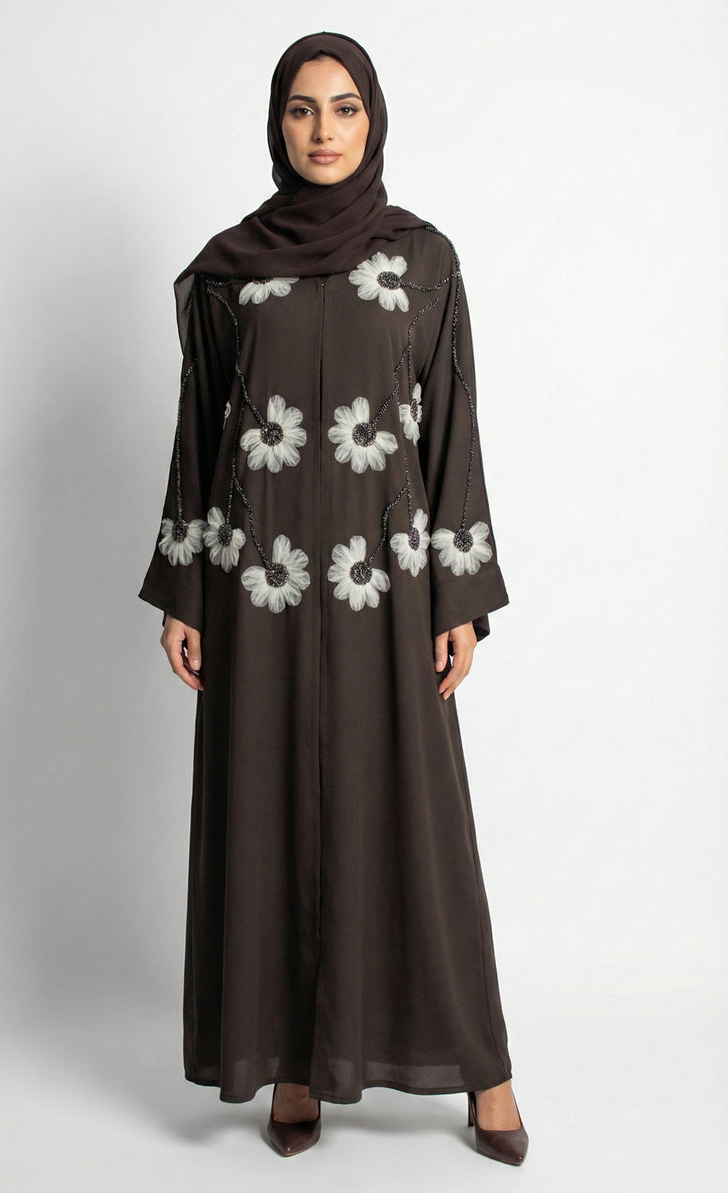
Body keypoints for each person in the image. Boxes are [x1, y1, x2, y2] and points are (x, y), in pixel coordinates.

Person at [138, 30, 528, 1166]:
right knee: (269, 812)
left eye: (344, 107)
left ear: (373, 120)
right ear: (277, 124)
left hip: (385, 585)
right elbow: (199, 433)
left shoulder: (422, 261)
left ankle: (486, 1069)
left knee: (417, 821)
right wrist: (186, 589)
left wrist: (457, 593)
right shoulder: (231, 269)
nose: (322, 130)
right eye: (302, 109)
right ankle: (294, 1060)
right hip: (257, 585)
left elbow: (451, 429)